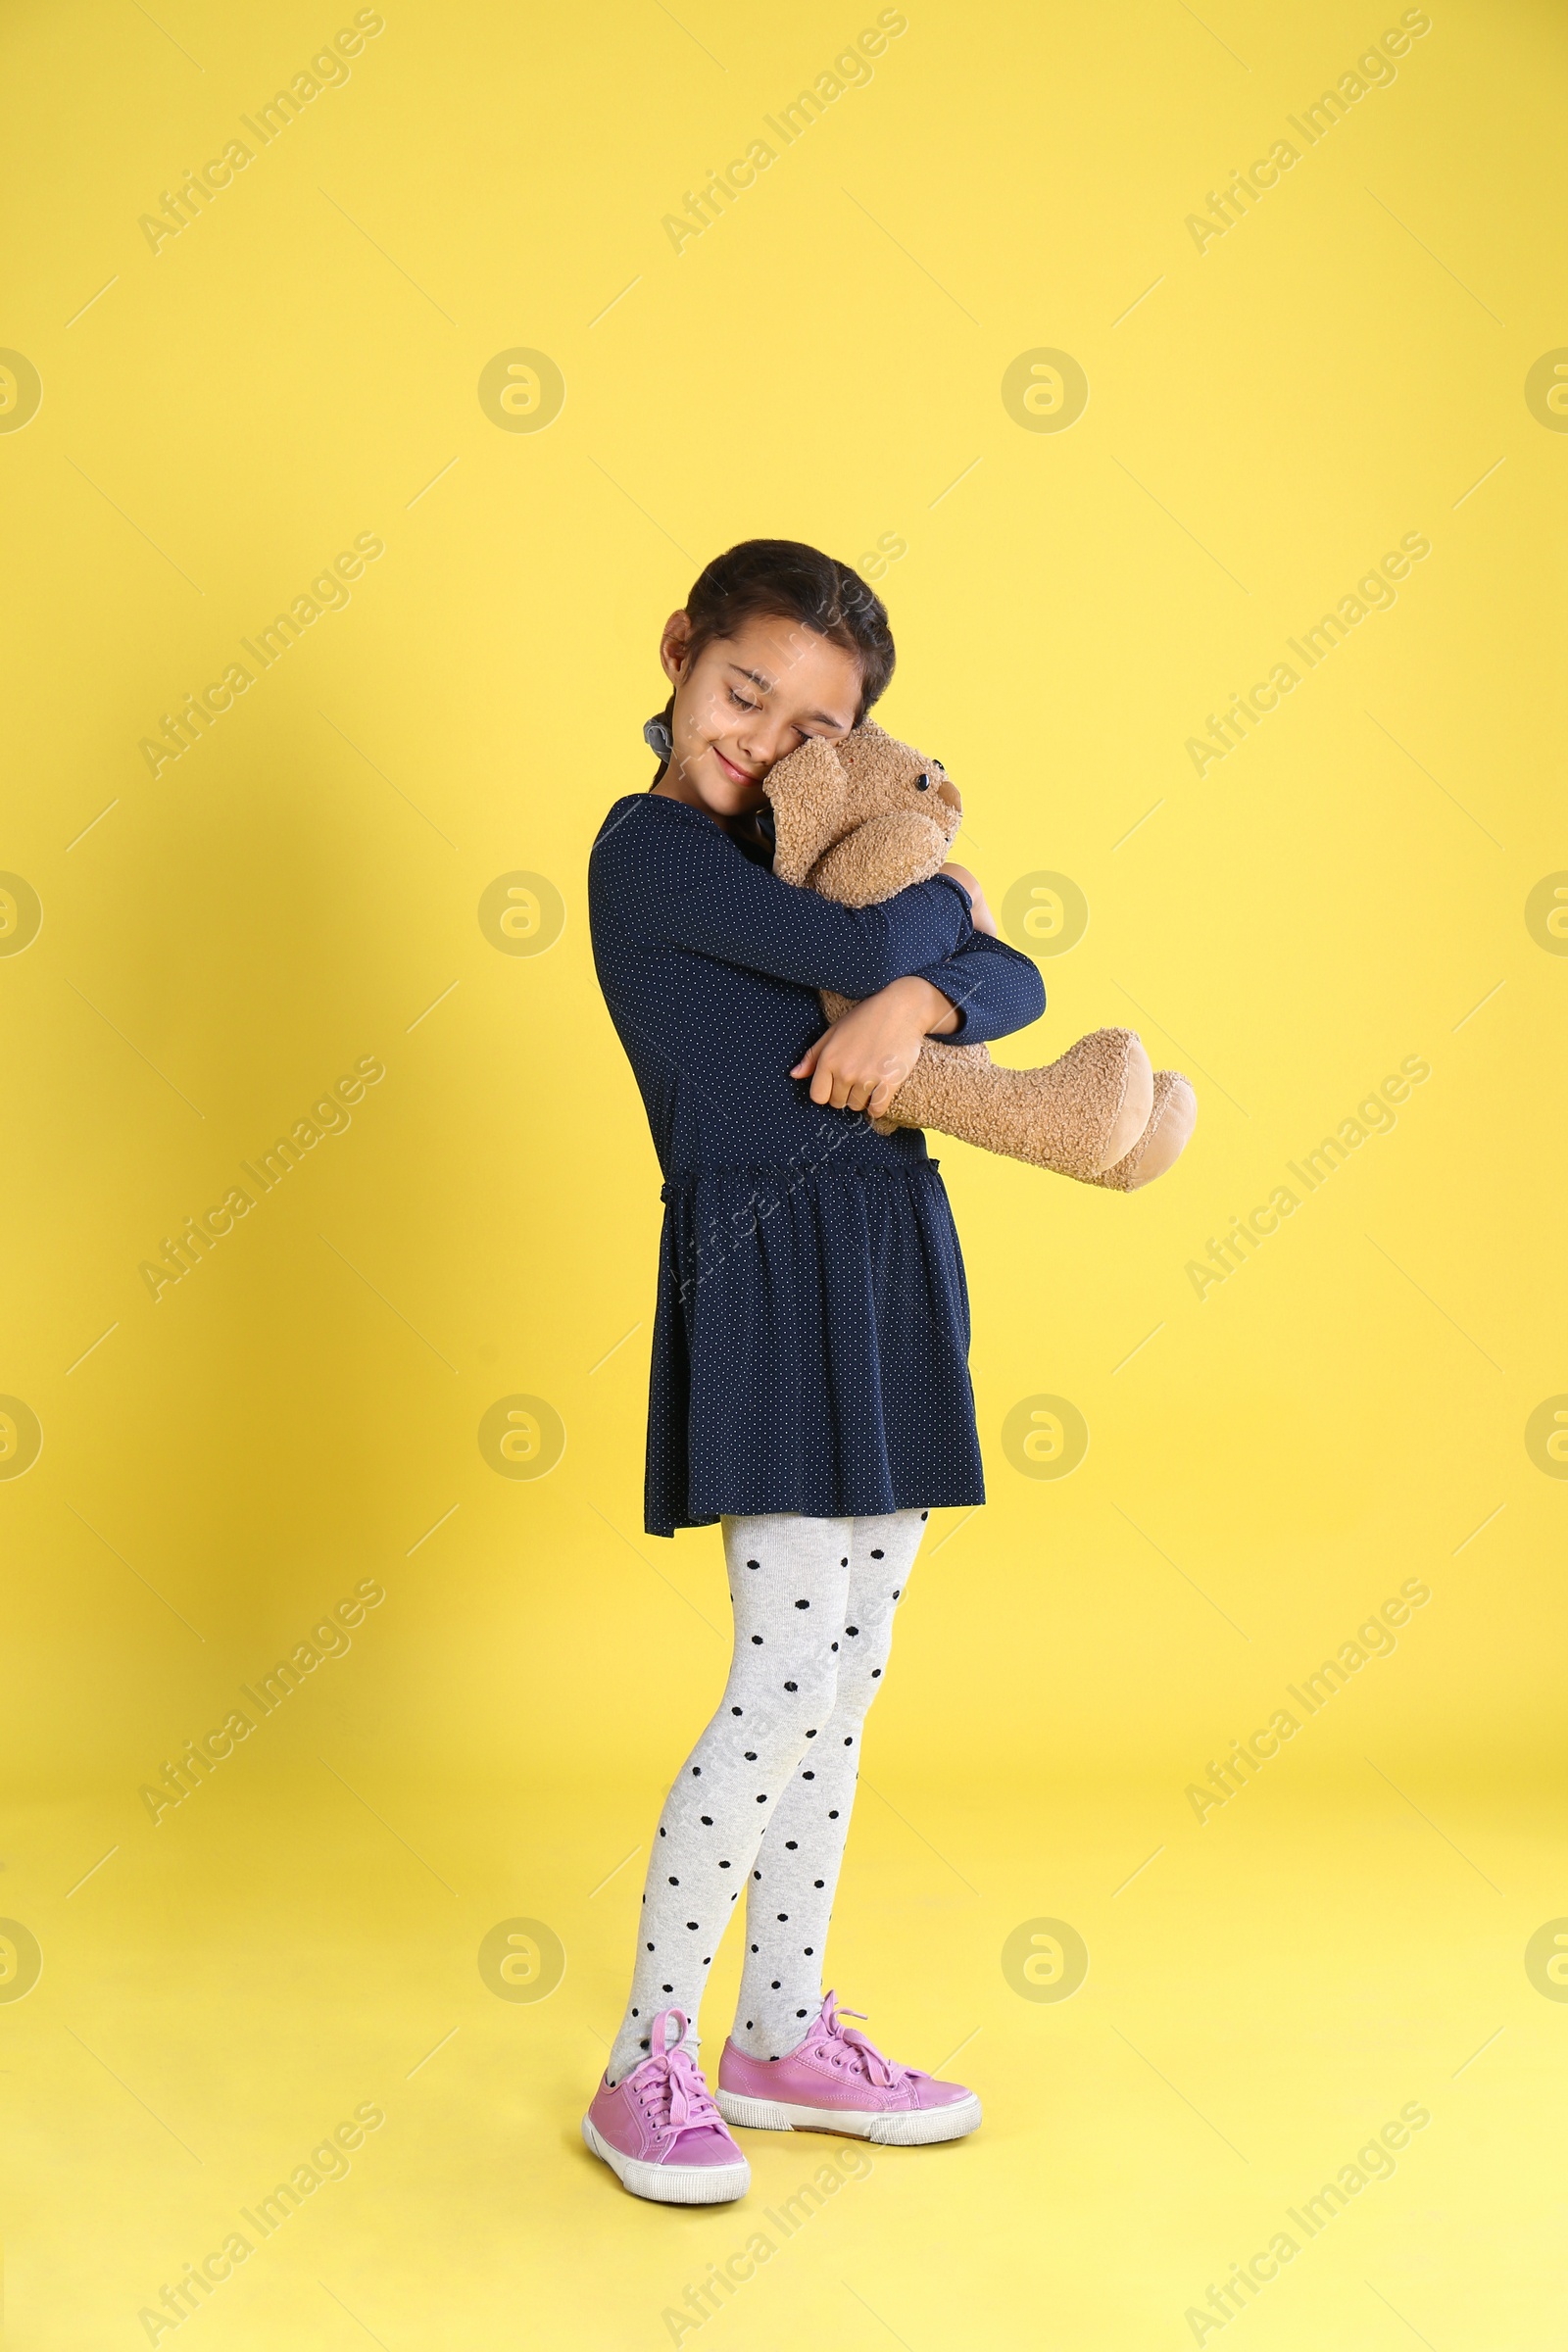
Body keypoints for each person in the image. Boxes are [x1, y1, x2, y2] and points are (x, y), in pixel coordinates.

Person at [582, 539, 1046, 2205]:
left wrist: (920, 987)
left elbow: (1018, 973)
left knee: (845, 1685)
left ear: (847, 752)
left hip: (889, 1257)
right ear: (681, 656)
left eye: (806, 731)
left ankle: (777, 2031)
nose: (760, 741)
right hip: (764, 1265)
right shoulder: (648, 858)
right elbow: (950, 926)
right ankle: (647, 2058)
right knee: (779, 1680)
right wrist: (931, 957)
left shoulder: (833, 890)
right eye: (741, 693)